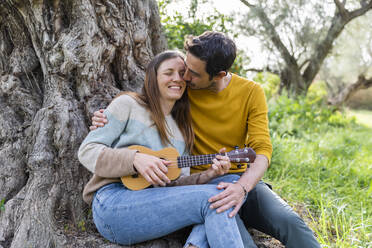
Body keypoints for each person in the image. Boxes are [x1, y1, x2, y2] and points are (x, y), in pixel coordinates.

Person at [91, 32, 321, 247]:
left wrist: (242, 187)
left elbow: (261, 149)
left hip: (239, 180)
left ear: (219, 75)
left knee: (291, 224)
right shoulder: (182, 90)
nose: (185, 77)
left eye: (194, 73)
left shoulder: (251, 92)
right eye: (186, 68)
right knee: (229, 222)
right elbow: (145, 102)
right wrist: (105, 119)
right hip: (192, 186)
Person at [78, 50, 245, 247]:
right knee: (213, 199)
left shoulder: (182, 130)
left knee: (221, 194)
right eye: (168, 73)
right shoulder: (128, 104)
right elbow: (87, 151)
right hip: (113, 202)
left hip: (154, 202)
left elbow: (175, 185)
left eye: (182, 73)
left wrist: (209, 174)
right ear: (153, 77)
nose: (177, 78)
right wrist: (134, 159)